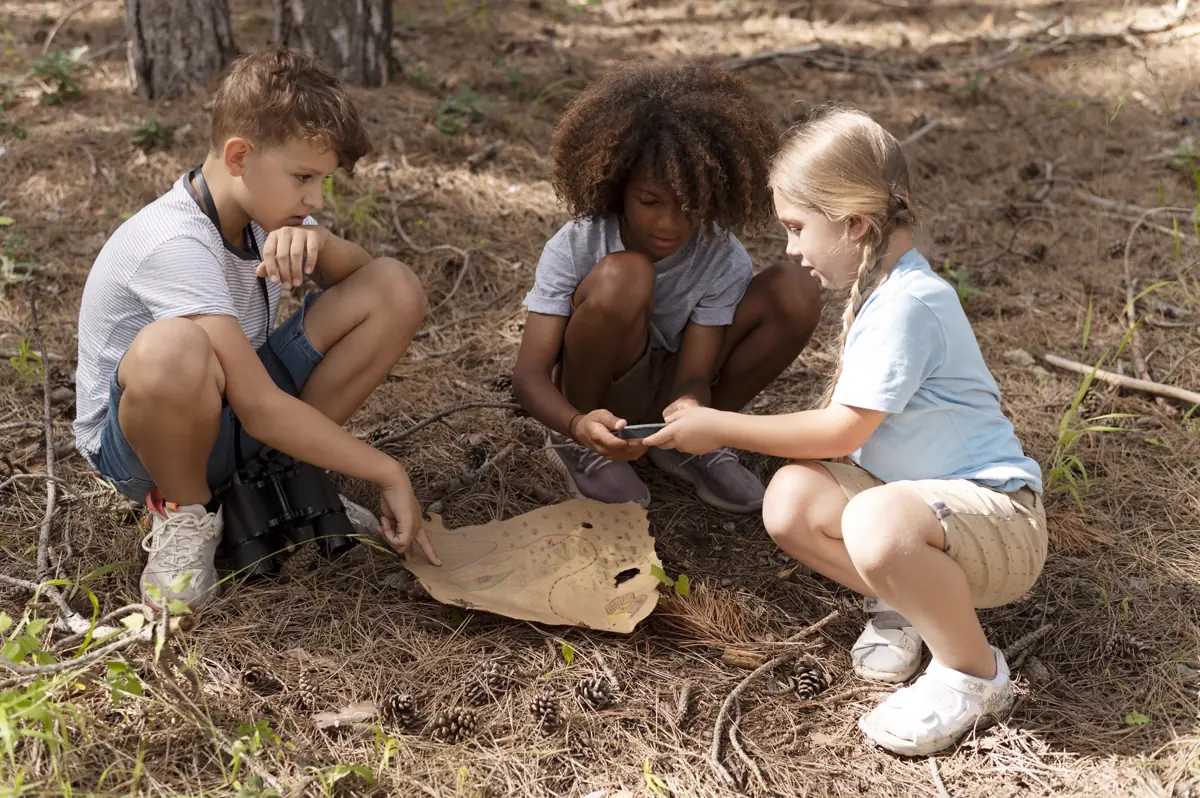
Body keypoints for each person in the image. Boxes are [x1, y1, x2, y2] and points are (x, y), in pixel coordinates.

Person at [644, 106, 1047, 756]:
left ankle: (974, 673)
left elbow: (840, 431)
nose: (791, 248)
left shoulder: (909, 305)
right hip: (920, 506)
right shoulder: (881, 293)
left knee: (874, 522)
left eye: (798, 228)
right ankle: (915, 607)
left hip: (999, 521)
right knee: (792, 500)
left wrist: (721, 426)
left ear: (854, 223)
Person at [73, 48, 440, 613]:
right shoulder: (174, 241)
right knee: (173, 348)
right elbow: (260, 406)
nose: (315, 199)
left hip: (229, 409)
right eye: (304, 177)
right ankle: (186, 516)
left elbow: (376, 286)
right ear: (240, 155)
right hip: (143, 445)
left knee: (396, 285)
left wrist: (321, 243)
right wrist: (385, 469)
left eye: (322, 181)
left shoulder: (266, 216)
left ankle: (287, 470)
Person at [513, 62, 822, 512]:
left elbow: (695, 372)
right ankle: (580, 450)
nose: (669, 223)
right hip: (594, 398)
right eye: (650, 201)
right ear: (618, 187)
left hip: (667, 389)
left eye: (690, 205)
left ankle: (689, 442)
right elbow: (529, 374)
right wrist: (575, 423)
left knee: (796, 288)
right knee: (626, 274)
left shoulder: (719, 254)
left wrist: (694, 406)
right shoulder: (580, 243)